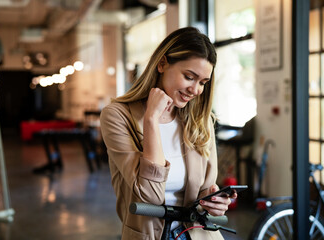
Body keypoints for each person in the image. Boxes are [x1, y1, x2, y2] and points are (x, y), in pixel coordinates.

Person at [100, 27, 237, 240]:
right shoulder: (117, 116)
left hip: (199, 235)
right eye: (189, 77)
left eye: (202, 83)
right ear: (162, 64)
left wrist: (213, 201)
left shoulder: (201, 120)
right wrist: (151, 120)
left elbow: (203, 188)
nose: (196, 90)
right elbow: (148, 194)